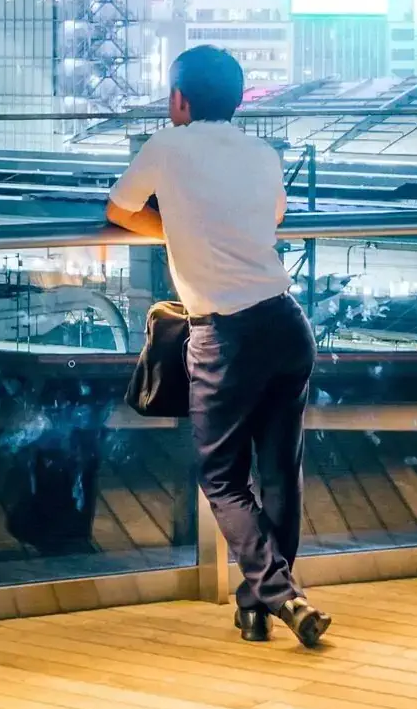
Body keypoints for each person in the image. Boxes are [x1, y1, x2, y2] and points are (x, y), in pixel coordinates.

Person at [104, 43, 329, 647]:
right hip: (287, 325)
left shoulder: (165, 146)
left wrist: (173, 229)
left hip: (224, 335)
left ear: (178, 99)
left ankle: (282, 596)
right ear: (238, 100)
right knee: (280, 472)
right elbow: (271, 220)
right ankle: (256, 605)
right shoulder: (261, 152)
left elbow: (120, 210)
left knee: (222, 476)